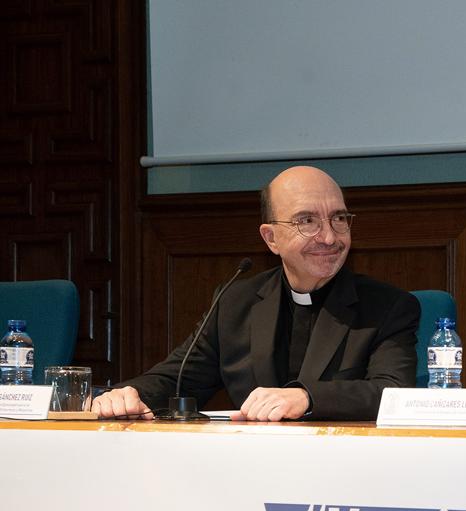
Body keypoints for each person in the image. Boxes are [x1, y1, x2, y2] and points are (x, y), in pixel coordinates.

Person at [93, 166, 421, 421]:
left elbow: (393, 393)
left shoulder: (388, 306)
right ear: (271, 238)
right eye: (307, 221)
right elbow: (179, 378)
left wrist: (307, 398)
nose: (328, 237)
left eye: (338, 219)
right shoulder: (237, 302)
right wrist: (127, 393)